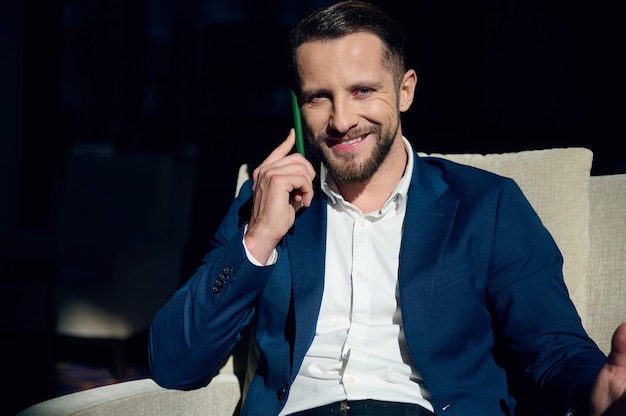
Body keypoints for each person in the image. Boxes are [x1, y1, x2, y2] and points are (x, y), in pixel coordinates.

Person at [148, 1, 626, 415]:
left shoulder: (487, 203)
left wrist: (595, 397)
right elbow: (174, 363)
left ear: (405, 90)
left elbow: (553, 348)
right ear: (299, 106)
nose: (341, 120)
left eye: (362, 91)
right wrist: (257, 240)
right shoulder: (264, 202)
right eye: (319, 98)